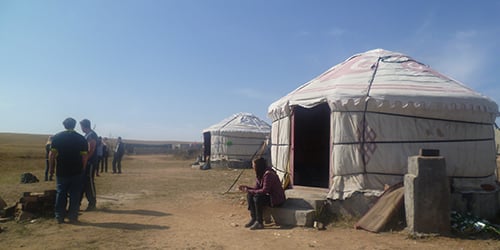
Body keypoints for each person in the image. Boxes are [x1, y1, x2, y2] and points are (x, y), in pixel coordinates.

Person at [49, 117, 88, 224]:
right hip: (77, 170)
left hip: (62, 170)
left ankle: (59, 216)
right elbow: (85, 156)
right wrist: (83, 168)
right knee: (75, 194)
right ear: (74, 125)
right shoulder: (81, 139)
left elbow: (52, 155)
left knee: (61, 193)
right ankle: (73, 216)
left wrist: (51, 168)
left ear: (64, 125)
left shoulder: (57, 137)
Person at [238, 157, 286, 230]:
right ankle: (254, 218)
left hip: (276, 198)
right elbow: (257, 188)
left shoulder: (268, 175)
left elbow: (264, 190)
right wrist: (247, 188)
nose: (252, 167)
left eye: (253, 165)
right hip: (270, 197)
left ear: (258, 166)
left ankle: (259, 222)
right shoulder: (260, 174)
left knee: (257, 198)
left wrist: (249, 190)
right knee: (250, 195)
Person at [79, 119, 98, 211]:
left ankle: (92, 203)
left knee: (89, 182)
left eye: (81, 126)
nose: (81, 128)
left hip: (90, 162)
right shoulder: (86, 135)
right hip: (86, 161)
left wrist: (86, 160)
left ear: (84, 126)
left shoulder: (91, 135)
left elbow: (91, 149)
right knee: (83, 182)